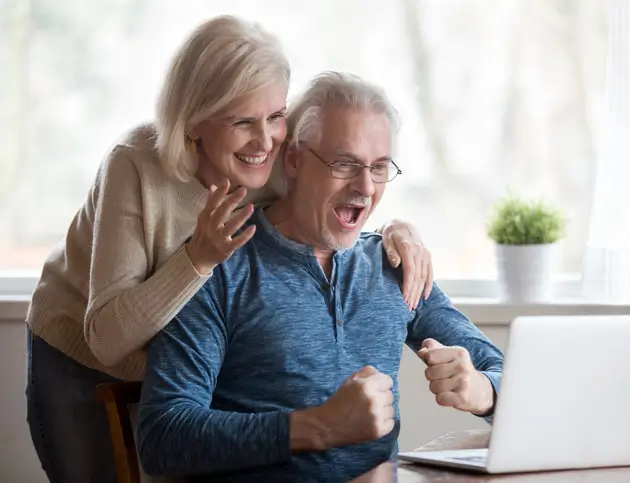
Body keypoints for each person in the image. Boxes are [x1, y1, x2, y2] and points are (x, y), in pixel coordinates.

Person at [24, 16, 435, 483]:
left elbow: (330, 200)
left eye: (276, 116)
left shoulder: (272, 157)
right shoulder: (135, 165)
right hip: (82, 351)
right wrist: (198, 259)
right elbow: (107, 337)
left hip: (175, 357)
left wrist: (393, 231)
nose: (266, 142)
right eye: (243, 121)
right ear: (194, 121)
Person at [136, 71, 504, 482]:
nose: (365, 187)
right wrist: (317, 426)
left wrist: (482, 390)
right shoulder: (220, 263)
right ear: (293, 159)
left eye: (379, 167)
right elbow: (163, 435)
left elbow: (509, 375)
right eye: (344, 164)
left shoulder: (392, 264)